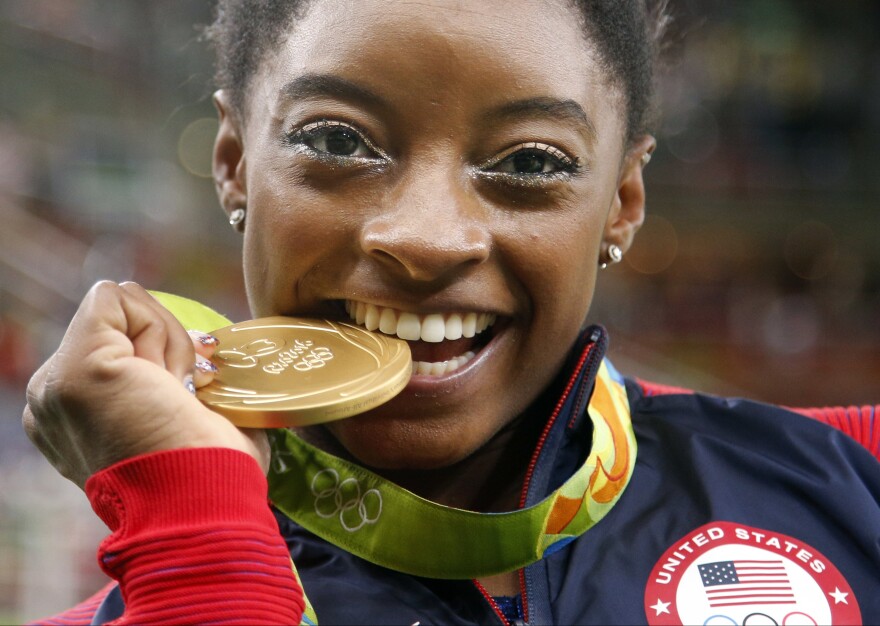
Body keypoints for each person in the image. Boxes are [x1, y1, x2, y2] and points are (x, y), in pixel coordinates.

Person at [23, 0, 880, 624]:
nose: (428, 240)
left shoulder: (847, 478)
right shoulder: (162, 579)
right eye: (335, 141)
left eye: (533, 161)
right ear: (236, 162)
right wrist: (198, 539)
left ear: (621, 201)